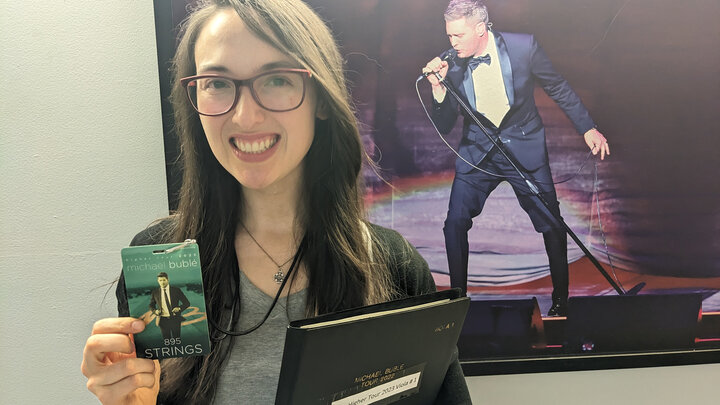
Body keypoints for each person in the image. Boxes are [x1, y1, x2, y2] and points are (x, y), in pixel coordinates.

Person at [81, 0, 471, 403]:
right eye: (217, 82)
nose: (246, 117)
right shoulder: (158, 261)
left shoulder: (394, 266)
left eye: (277, 79)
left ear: (321, 97)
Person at [422, 0, 610, 317]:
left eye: (458, 35)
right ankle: (457, 304)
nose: (451, 43)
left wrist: (588, 127)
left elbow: (558, 86)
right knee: (454, 223)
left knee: (552, 222)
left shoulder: (524, 48)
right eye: (449, 36)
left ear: (480, 29)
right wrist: (438, 89)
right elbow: (444, 125)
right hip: (478, 153)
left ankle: (561, 300)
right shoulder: (448, 64)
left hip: (524, 147)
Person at [149, 272, 190, 341]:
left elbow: (187, 303)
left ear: (168, 280)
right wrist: (155, 311)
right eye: (160, 280)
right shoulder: (155, 292)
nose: (162, 282)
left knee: (177, 340)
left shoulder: (176, 290)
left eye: (164, 280)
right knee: (166, 341)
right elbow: (151, 305)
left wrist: (179, 308)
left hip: (175, 319)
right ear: (158, 281)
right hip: (163, 320)